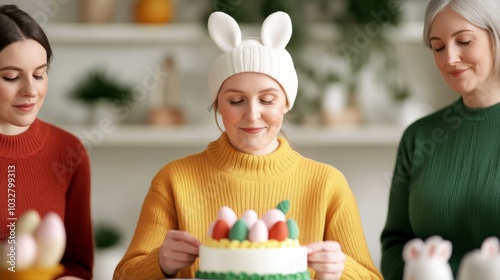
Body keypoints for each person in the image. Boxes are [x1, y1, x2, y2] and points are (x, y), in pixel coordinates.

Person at [114, 11, 382, 280]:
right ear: (218, 105)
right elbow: (123, 275)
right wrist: (160, 263)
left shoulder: (327, 184)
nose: (252, 114)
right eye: (235, 100)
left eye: (267, 100)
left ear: (286, 103)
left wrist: (340, 269)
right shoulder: (173, 180)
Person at [380, 0, 500, 278]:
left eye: (464, 41)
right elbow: (395, 243)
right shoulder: (418, 137)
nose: (450, 59)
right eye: (438, 47)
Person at [0, 5, 93, 279]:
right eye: (11, 77)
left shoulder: (68, 151)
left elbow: (78, 266)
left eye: (39, 74)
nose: (31, 91)